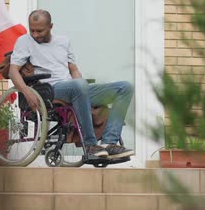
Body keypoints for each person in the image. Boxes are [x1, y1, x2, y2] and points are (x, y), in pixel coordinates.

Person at [9, 9, 135, 159]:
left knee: (125, 88)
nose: (35, 34)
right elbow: (13, 71)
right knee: (78, 86)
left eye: (40, 31)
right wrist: (26, 91)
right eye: (32, 30)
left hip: (73, 88)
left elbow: (74, 70)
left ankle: (109, 143)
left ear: (51, 26)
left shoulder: (64, 42)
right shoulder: (24, 41)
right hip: (50, 90)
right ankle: (90, 145)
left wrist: (81, 86)